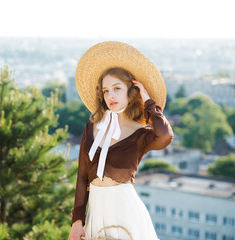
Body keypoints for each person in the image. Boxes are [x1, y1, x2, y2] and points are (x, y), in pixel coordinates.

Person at [68, 41, 174, 240]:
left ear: (131, 92)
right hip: (95, 214)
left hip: (127, 213)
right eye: (106, 90)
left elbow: (165, 136)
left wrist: (148, 100)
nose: (111, 95)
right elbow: (82, 177)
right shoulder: (91, 128)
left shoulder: (141, 133)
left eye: (117, 88)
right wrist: (77, 221)